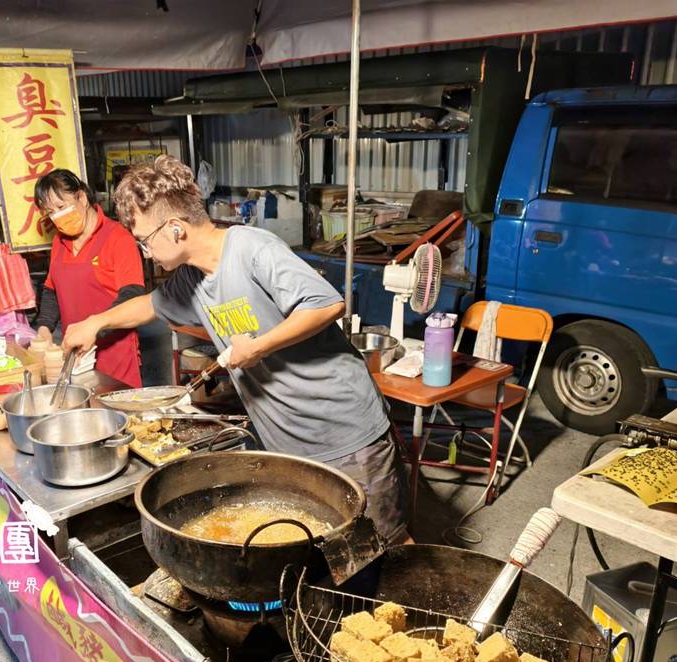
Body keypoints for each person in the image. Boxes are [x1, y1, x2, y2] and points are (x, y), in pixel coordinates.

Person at [63, 156, 409, 543]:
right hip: (288, 441)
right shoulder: (191, 277)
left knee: (381, 544)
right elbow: (149, 305)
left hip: (343, 432)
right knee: (322, 545)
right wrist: (95, 323)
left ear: (175, 229)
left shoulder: (252, 248)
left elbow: (327, 304)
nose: (145, 252)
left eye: (144, 241)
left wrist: (259, 347)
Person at [34, 169, 145, 388]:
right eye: (50, 212)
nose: (57, 216)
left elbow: (133, 297)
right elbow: (52, 291)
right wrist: (45, 328)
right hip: (76, 358)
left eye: (61, 207)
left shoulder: (118, 238)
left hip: (115, 356)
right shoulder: (59, 242)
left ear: (82, 198)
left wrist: (95, 327)